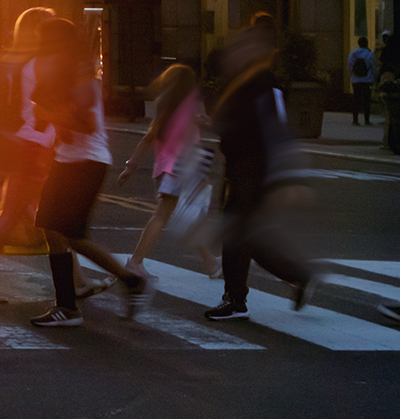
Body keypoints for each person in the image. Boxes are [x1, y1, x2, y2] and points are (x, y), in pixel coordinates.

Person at [0, 7, 93, 303]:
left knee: (46, 220)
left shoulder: (26, 63)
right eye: (48, 28)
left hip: (29, 145)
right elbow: (46, 113)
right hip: (36, 147)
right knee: (15, 218)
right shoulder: (42, 65)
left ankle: (79, 281)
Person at [27, 18, 151, 328]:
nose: (40, 46)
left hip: (88, 161)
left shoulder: (78, 74)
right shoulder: (55, 71)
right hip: (67, 159)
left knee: (72, 234)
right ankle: (68, 305)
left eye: (46, 40)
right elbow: (41, 114)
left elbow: (86, 124)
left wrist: (55, 116)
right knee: (50, 226)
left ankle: (124, 281)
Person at [204, 26, 320, 321]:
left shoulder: (266, 85)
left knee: (236, 230)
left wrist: (283, 179)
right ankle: (297, 276)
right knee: (245, 234)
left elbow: (277, 131)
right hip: (239, 166)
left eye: (248, 47)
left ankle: (235, 298)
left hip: (252, 168)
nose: (240, 51)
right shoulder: (244, 82)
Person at [117, 64, 220, 277]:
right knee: (164, 216)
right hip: (181, 169)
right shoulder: (190, 106)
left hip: (164, 169)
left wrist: (130, 166)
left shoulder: (164, 104)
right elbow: (206, 124)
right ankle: (135, 262)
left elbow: (148, 139)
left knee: (188, 217)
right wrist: (203, 119)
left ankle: (211, 262)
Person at [348, 36, 377, 126]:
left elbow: (349, 67)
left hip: (355, 80)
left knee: (356, 100)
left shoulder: (353, 53)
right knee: (366, 100)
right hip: (367, 80)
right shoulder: (370, 54)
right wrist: (375, 78)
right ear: (366, 44)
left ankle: (355, 120)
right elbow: (373, 67)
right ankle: (367, 120)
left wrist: (352, 76)